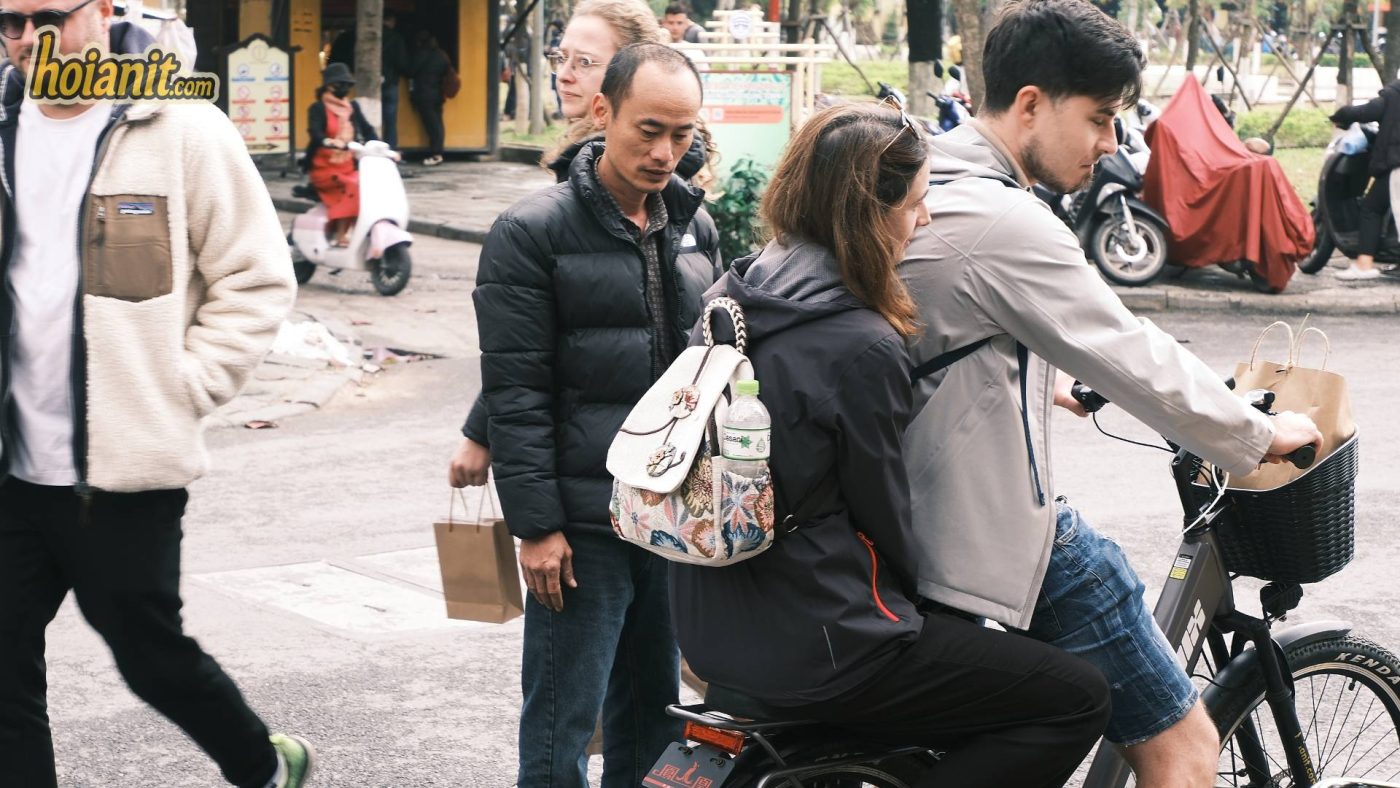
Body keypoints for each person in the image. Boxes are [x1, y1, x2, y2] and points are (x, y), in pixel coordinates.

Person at [900, 1, 1325, 786]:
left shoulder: (925, 178)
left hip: (892, 518)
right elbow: (1133, 351)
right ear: (1030, 104)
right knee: (1184, 746)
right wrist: (1262, 435)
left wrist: (1039, 378)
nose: (1111, 143)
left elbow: (947, 328)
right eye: (1099, 119)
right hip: (979, 525)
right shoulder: (1002, 218)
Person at [670, 103, 1112, 788]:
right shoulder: (865, 344)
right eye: (915, 203)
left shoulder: (735, 297)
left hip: (712, 627)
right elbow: (886, 516)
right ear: (867, 214)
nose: (926, 219)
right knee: (1077, 698)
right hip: (827, 642)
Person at [0, 2, 310, 788]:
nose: (27, 39)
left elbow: (256, 275)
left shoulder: (177, 127)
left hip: (125, 476)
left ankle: (263, 763)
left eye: (47, 17)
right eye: (4, 22)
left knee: (151, 659)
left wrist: (186, 386)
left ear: (101, 12)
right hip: (12, 472)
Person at [473, 44, 721, 786]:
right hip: (581, 526)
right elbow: (516, 392)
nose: (664, 152)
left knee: (653, 717)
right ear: (603, 113)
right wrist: (537, 528)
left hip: (669, 518)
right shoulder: (532, 233)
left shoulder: (692, 229)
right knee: (560, 728)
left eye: (681, 134)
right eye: (648, 129)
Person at [450, 0, 714, 493]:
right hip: (598, 474)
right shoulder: (565, 190)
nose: (565, 75)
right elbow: (538, 345)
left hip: (651, 472)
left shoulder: (672, 195)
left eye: (585, 62)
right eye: (561, 57)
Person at [1329, 79, 1400, 281]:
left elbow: (1365, 112)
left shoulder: (1395, 94)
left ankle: (1364, 264)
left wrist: (1340, 116)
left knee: (1371, 208)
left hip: (1397, 165)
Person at [305, 62, 379, 247]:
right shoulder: (318, 108)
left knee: (367, 186)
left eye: (348, 85)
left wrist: (384, 147)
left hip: (347, 165)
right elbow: (315, 133)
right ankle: (340, 235)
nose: (345, 89)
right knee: (353, 186)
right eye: (341, 85)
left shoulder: (351, 107)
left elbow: (368, 129)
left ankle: (357, 232)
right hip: (324, 167)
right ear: (329, 86)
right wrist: (328, 141)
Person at [409, 31, 450, 166]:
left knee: (431, 125)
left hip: (424, 94)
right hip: (438, 94)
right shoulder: (441, 55)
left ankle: (436, 154)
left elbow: (410, 70)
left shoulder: (420, 55)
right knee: (437, 124)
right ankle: (438, 152)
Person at [380, 10, 407, 148]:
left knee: (371, 118)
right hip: (391, 82)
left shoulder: (369, 36)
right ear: (390, 20)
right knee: (390, 119)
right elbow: (402, 63)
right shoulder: (396, 38)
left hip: (371, 83)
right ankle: (390, 148)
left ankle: (373, 147)